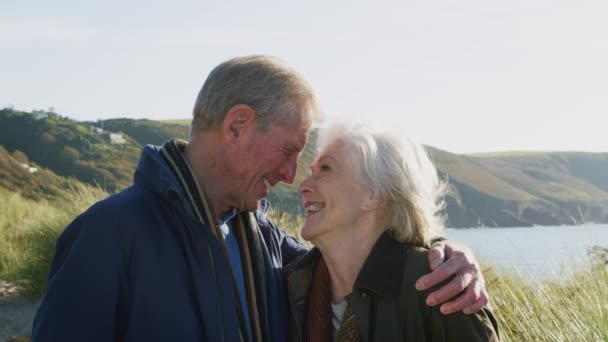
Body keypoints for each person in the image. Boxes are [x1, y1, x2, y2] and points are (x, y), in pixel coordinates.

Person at [33, 56, 489, 342]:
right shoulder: (107, 234)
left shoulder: (275, 248)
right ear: (237, 125)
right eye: (290, 151)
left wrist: (447, 254)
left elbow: (368, 254)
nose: (292, 176)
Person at [285, 122, 500, 341]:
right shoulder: (293, 284)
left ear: (374, 193)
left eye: (326, 169)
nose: (303, 186)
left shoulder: (441, 285)